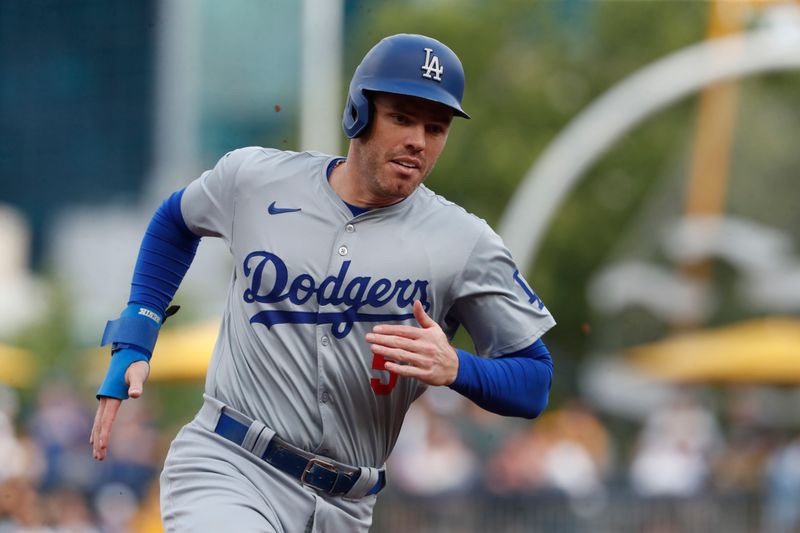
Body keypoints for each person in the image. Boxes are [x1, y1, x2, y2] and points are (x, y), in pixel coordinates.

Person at [90, 33, 556, 532]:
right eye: (401, 117)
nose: (418, 140)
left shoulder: (464, 243)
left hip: (347, 505)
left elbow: (534, 382)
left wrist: (457, 367)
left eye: (435, 127)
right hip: (231, 465)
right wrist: (136, 337)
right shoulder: (255, 179)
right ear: (358, 112)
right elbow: (175, 220)